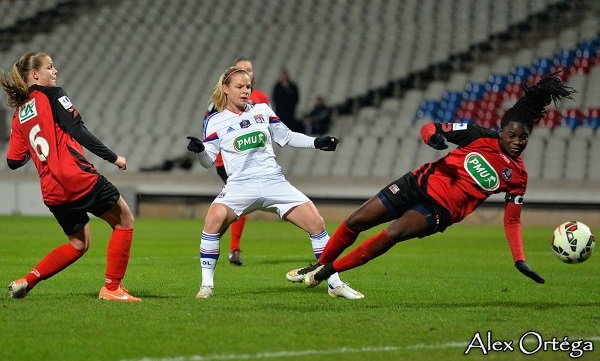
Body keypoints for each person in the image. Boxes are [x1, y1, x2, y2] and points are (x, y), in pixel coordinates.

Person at [287, 72, 576, 296]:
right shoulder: (478, 135)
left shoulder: (518, 176)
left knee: (394, 232)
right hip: (417, 182)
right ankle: (318, 265)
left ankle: (328, 273)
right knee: (356, 220)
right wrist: (433, 138)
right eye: (512, 135)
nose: (517, 142)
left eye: (523, 138)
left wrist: (519, 259)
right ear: (502, 131)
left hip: (439, 210)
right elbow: (432, 127)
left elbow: (512, 222)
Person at [186, 65, 363, 299]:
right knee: (213, 219)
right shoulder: (215, 121)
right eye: (239, 87)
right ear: (226, 89)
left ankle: (334, 283)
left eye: (248, 86)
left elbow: (286, 136)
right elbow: (208, 160)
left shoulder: (262, 110)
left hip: (273, 182)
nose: (245, 91)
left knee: (316, 222)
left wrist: (317, 142)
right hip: (240, 185)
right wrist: (200, 151)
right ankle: (206, 286)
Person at [2, 52, 141, 302]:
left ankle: (27, 280)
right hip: (75, 176)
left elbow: (13, 161)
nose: (55, 72)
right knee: (124, 221)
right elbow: (78, 130)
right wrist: (113, 157)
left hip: (51, 189)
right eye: (50, 67)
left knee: (79, 244)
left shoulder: (19, 114)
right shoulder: (54, 95)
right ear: (35, 74)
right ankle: (111, 288)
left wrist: (36, 149)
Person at [204, 57, 270, 266]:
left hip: (254, 161)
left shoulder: (261, 99)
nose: (246, 72)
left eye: (249, 70)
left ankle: (215, 237)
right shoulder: (221, 101)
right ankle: (232, 247)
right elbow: (210, 125)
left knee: (237, 203)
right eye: (241, 69)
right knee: (240, 201)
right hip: (228, 161)